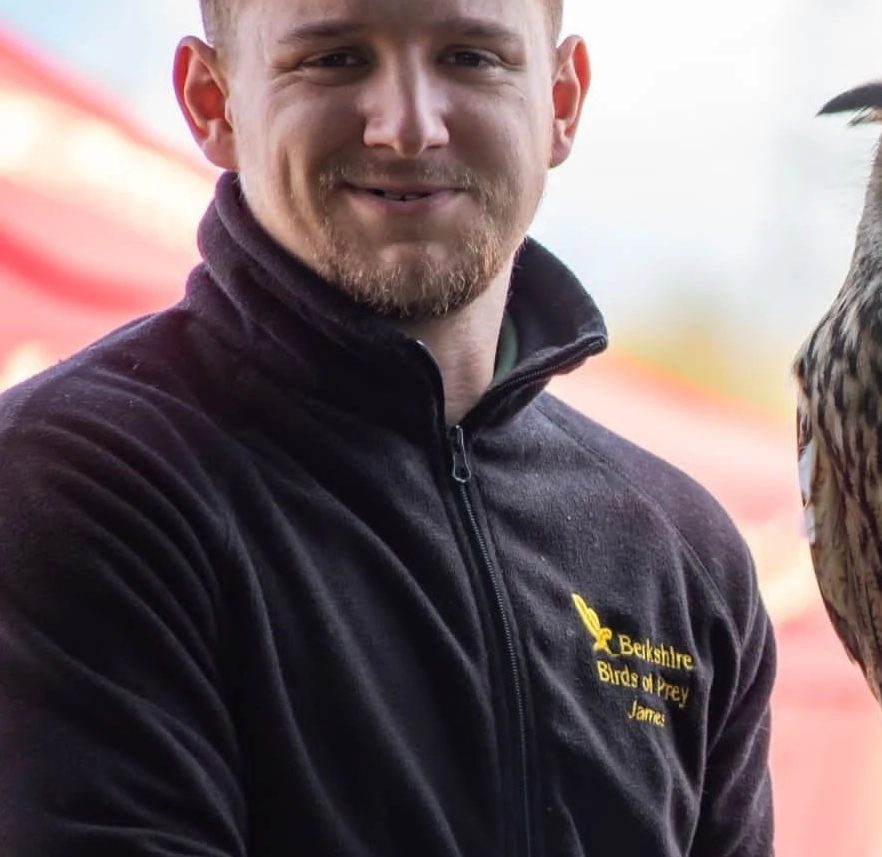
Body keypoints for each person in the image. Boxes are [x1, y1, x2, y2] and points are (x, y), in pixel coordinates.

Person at [0, 1, 777, 855]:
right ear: (211, 104)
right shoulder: (68, 485)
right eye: (334, 59)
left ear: (561, 99)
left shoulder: (682, 553)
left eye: (471, 57)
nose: (408, 126)